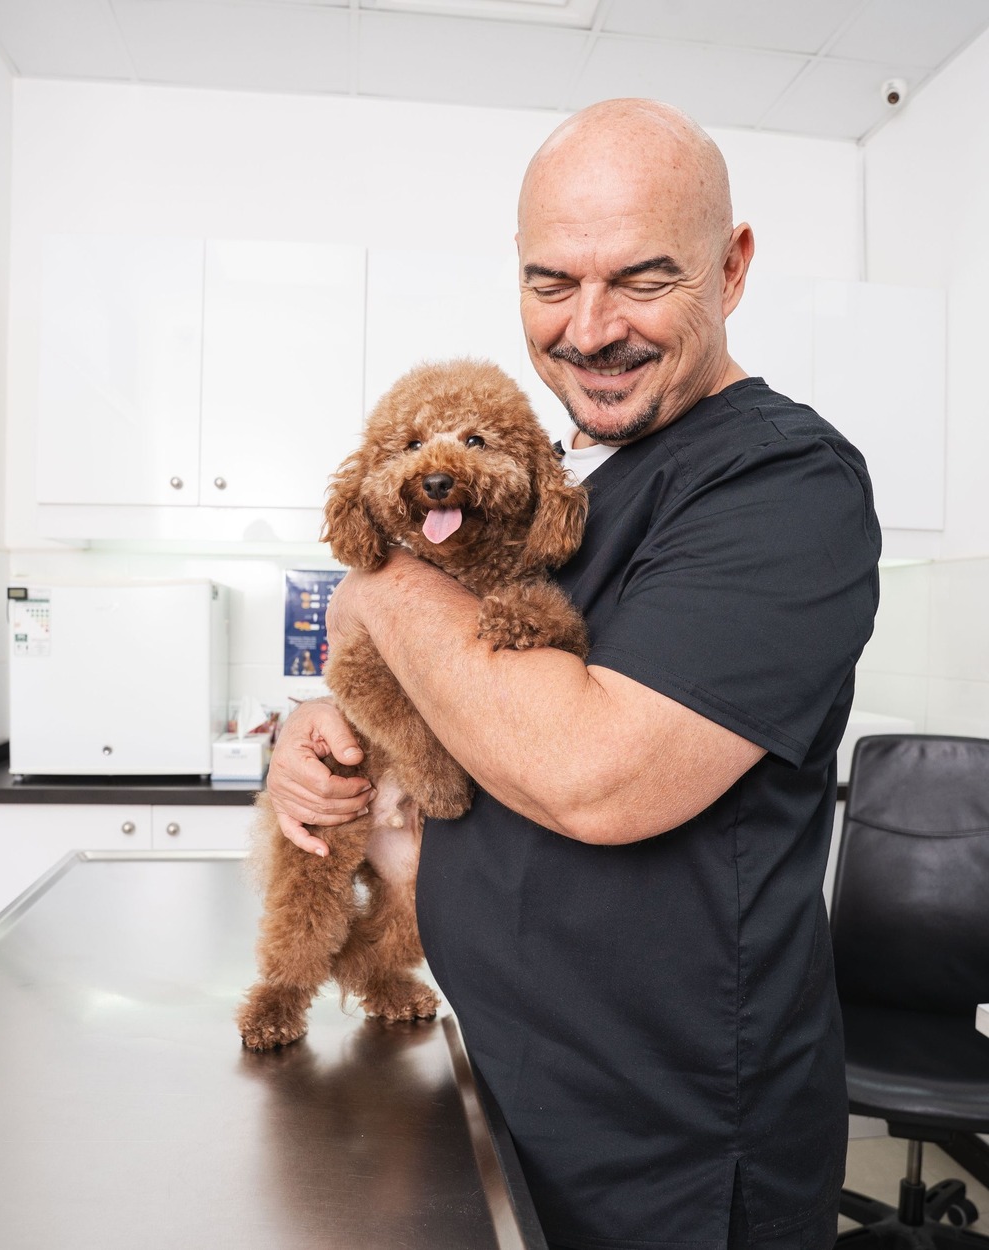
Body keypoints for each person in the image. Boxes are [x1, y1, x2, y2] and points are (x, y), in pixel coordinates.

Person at [267, 98, 881, 1249]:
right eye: (552, 282)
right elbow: (480, 705)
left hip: (673, 1156)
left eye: (642, 280)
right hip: (508, 1086)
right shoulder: (568, 484)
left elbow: (593, 772)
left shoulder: (783, 486)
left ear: (731, 266)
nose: (590, 329)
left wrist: (374, 589)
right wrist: (335, 720)